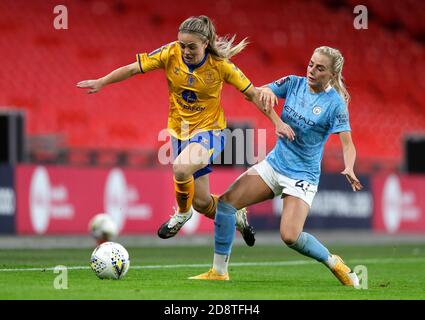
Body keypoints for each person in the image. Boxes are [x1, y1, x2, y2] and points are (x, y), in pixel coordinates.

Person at [77, 15, 293, 246]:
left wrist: (277, 122)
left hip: (210, 132)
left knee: (180, 168)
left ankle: (182, 213)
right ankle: (237, 215)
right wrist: (102, 81)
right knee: (202, 203)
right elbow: (132, 69)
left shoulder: (221, 67)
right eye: (182, 45)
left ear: (205, 44)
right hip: (179, 132)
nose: (185, 51)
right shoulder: (170, 53)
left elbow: (253, 94)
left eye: (192, 46)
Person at [189, 46, 363, 286]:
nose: (311, 70)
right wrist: (267, 93)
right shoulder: (293, 83)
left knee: (290, 236)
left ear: (332, 75)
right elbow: (257, 92)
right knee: (226, 205)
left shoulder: (335, 104)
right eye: (311, 63)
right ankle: (219, 271)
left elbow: (348, 144)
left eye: (319, 68)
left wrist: (350, 167)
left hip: (302, 174)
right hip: (275, 164)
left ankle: (333, 261)